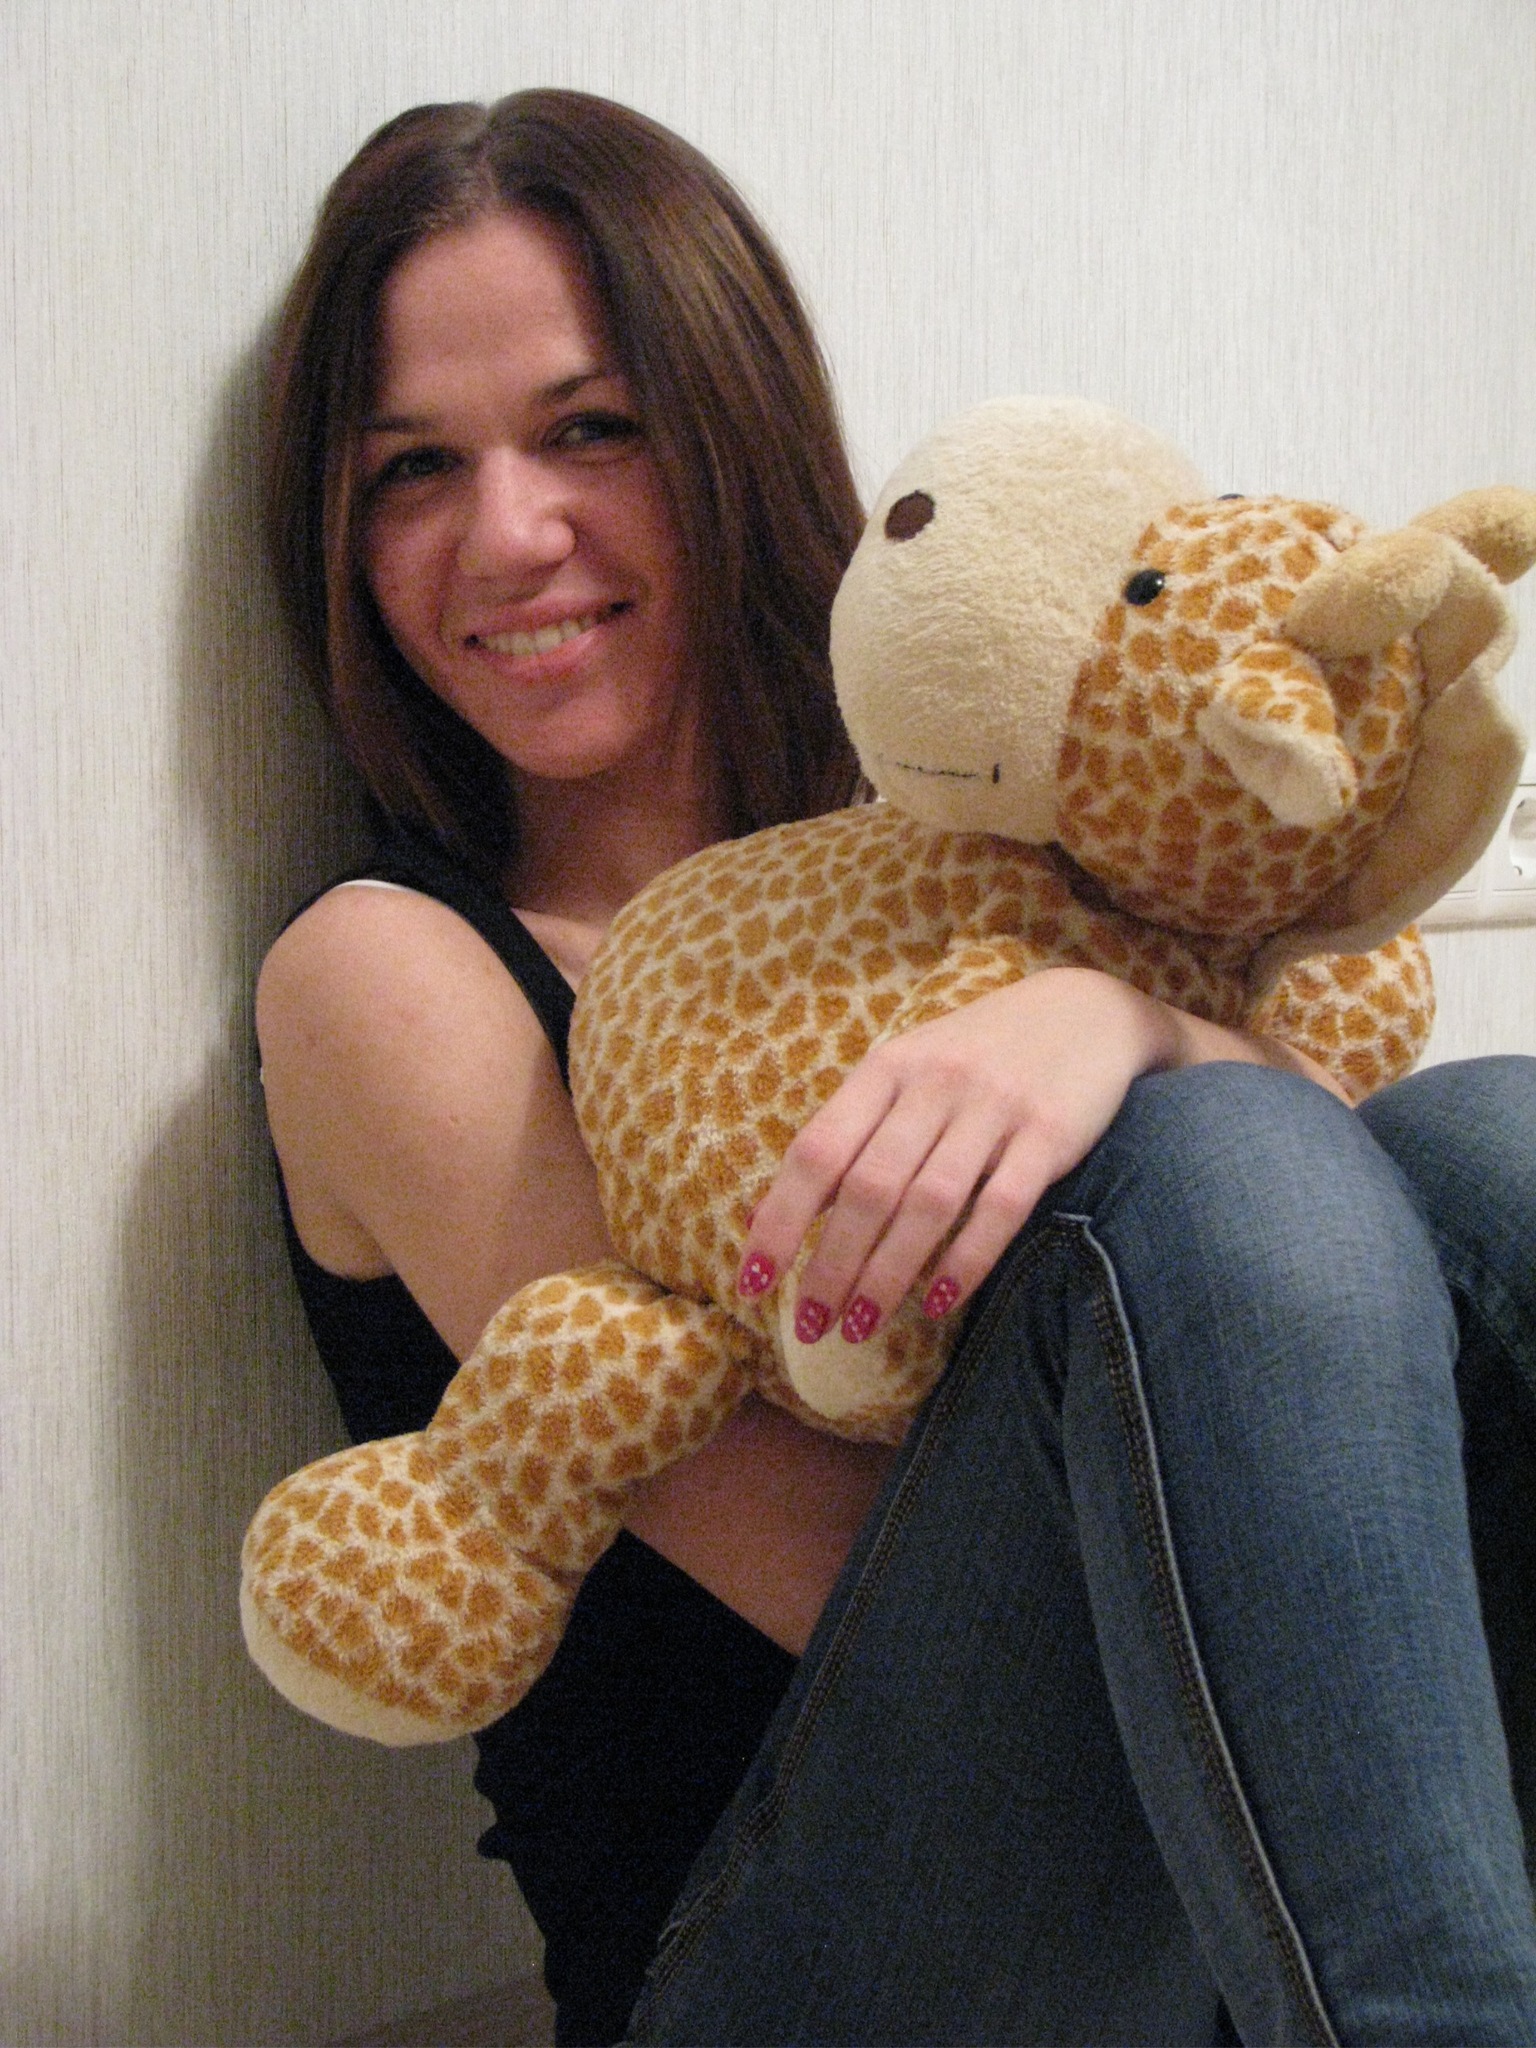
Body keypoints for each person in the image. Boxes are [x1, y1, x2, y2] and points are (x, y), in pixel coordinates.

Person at [255, 87, 1536, 2047]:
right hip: (785, 1956)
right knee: (1226, 1172)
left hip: (1163, 1892)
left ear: (731, 432)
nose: (509, 536)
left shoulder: (973, 860)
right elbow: (826, 1578)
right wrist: (1168, 1103)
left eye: (591, 429)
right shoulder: (388, 974)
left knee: (1491, 1142)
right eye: (412, 469)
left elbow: (1332, 1339)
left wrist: (1123, 1021)